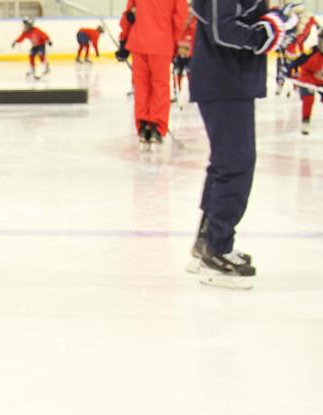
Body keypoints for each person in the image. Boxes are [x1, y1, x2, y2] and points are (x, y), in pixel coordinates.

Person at [186, 1, 301, 288]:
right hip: (224, 80)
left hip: (229, 80)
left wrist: (276, 21)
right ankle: (216, 250)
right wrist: (268, 31)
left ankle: (208, 243)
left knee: (226, 162)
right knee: (235, 163)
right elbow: (223, 29)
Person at [118, 0, 188, 149]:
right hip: (162, 43)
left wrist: (123, 40)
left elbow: (129, 14)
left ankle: (143, 125)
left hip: (139, 42)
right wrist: (177, 45)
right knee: (160, 86)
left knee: (141, 86)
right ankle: (156, 126)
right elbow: (180, 18)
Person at [285, 26, 323, 137]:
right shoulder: (311, 52)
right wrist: (288, 72)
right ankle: (306, 121)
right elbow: (296, 63)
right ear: (320, 42)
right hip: (308, 79)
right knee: (308, 98)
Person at [171, 15, 197, 103]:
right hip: (179, 56)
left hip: (190, 57)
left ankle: (192, 94)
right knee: (176, 73)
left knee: (190, 75)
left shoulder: (194, 24)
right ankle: (176, 93)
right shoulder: (179, 27)